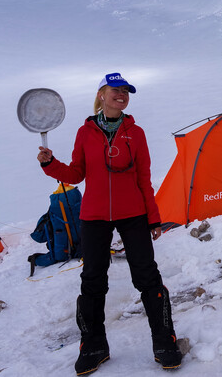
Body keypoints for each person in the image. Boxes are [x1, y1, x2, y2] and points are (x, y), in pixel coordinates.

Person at [37, 72, 182, 375]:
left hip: (133, 214)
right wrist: (50, 164)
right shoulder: (85, 132)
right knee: (92, 280)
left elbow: (144, 177)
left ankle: (164, 340)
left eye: (126, 91)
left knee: (147, 277)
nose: (122, 95)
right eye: (115, 90)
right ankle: (93, 345)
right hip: (94, 215)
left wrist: (153, 217)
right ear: (101, 94)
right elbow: (76, 173)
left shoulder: (136, 132)